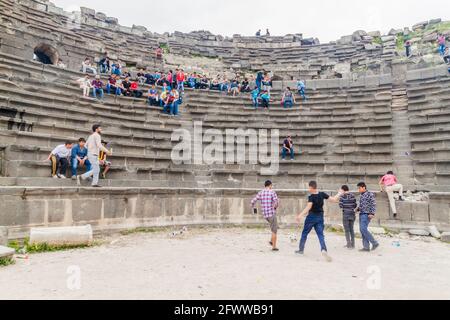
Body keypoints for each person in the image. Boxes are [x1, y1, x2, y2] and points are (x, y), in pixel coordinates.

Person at [295, 181, 341, 262]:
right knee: (320, 235)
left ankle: (301, 249)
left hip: (311, 217)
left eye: (309, 187)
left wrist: (300, 215)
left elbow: (308, 207)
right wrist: (339, 193)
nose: (309, 189)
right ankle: (324, 249)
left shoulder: (311, 197)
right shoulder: (322, 194)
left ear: (312, 187)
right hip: (320, 217)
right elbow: (333, 200)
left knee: (304, 233)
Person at [251, 180, 280, 251]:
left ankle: (271, 241)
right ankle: (274, 247)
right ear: (270, 185)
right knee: (274, 230)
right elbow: (276, 202)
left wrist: (253, 207)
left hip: (265, 215)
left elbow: (253, 201)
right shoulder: (272, 192)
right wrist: (275, 207)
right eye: (271, 186)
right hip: (271, 213)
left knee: (273, 227)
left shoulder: (261, 192)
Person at [356, 182, 379, 252]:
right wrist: (357, 209)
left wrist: (372, 213)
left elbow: (373, 204)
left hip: (366, 214)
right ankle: (366, 247)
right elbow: (362, 205)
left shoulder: (369, 194)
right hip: (361, 214)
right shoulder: (362, 195)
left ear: (364, 187)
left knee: (363, 229)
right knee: (362, 230)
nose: (358, 190)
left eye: (359, 188)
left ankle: (374, 243)